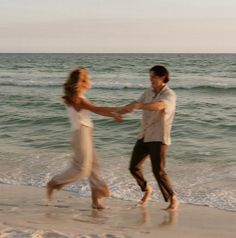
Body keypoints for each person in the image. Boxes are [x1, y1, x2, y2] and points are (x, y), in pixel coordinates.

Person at [46, 66, 122, 209]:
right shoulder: (78, 99)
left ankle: (96, 201)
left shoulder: (76, 98)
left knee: (94, 167)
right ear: (83, 81)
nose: (90, 80)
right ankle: (54, 183)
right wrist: (118, 110)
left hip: (83, 134)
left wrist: (113, 115)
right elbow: (97, 109)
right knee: (82, 170)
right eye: (88, 78)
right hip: (81, 134)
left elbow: (96, 110)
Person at [121, 65, 179, 210]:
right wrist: (119, 111)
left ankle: (173, 198)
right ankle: (147, 189)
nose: (150, 79)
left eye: (153, 77)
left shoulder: (169, 94)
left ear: (162, 77)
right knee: (133, 167)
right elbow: (135, 104)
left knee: (158, 170)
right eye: (150, 76)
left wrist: (140, 105)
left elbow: (159, 106)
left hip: (159, 137)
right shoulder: (148, 92)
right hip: (144, 135)